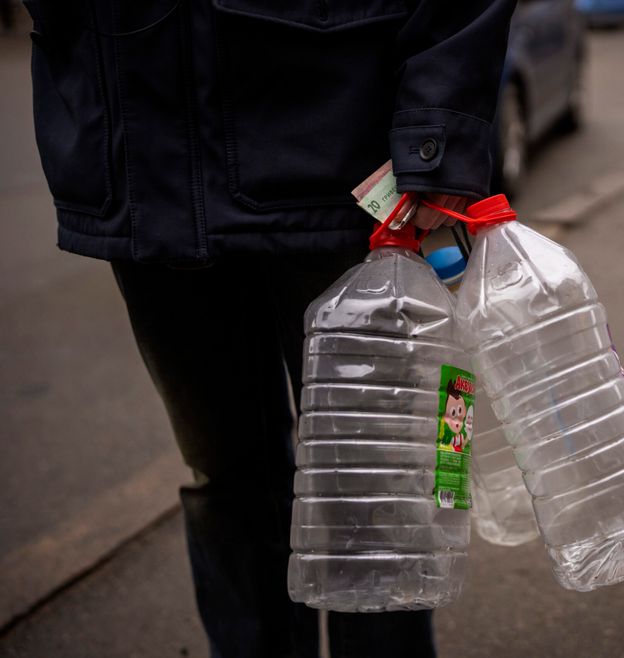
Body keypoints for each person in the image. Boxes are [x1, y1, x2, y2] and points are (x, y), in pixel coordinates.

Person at [26, 1, 516, 657]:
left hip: (335, 149)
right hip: (140, 159)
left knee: (370, 482)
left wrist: (438, 135)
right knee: (227, 477)